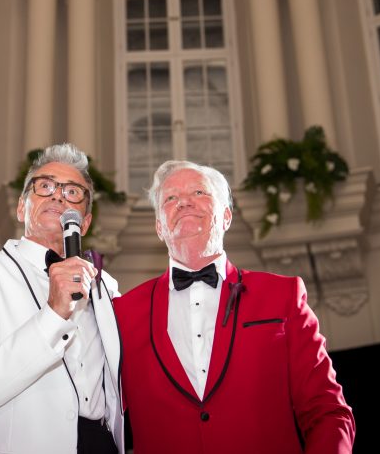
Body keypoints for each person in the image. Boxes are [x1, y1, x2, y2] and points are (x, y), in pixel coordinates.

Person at [113, 160, 355, 453]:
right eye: (171, 198)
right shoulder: (122, 313)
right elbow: (99, 414)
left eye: (199, 193)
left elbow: (328, 411)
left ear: (226, 216)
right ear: (159, 228)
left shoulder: (283, 296)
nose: (185, 202)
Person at [0, 142, 124, 454]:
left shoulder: (107, 289)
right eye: (45, 186)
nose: (58, 195)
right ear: (22, 207)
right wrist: (53, 314)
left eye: (72, 191)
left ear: (85, 222)